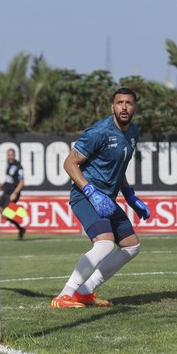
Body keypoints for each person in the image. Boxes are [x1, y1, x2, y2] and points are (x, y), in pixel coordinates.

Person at [50, 87, 151, 309]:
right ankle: (63, 296)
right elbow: (69, 163)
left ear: (135, 107)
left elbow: (118, 167)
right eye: (119, 102)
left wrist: (130, 195)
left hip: (108, 199)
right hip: (85, 196)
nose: (124, 107)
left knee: (131, 247)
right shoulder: (99, 132)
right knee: (104, 243)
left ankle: (85, 292)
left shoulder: (132, 133)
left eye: (129, 103)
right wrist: (90, 192)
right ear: (112, 107)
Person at [0, 148, 26, 240]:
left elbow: (21, 182)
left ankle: (21, 228)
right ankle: (21, 228)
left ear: (14, 155)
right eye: (9, 154)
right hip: (6, 191)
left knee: (5, 212)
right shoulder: (8, 165)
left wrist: (15, 192)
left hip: (13, 193)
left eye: (12, 155)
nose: (10, 156)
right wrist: (0, 186)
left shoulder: (18, 167)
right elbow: (9, 179)